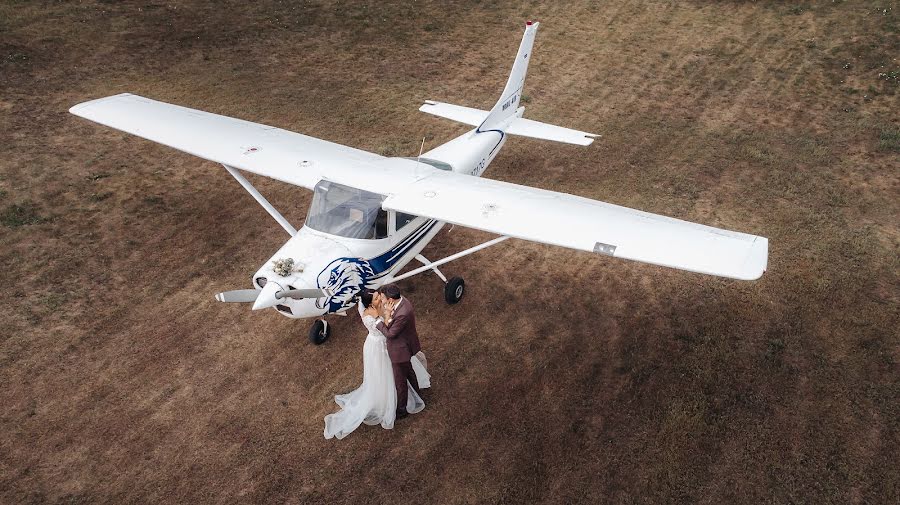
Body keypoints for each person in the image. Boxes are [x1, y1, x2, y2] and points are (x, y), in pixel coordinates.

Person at [323, 289, 429, 439]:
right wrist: (386, 316)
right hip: (379, 347)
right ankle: (393, 401)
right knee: (386, 374)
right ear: (371, 304)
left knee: (403, 370)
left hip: (389, 344)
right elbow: (386, 330)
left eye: (379, 295)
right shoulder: (369, 317)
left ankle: (410, 392)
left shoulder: (377, 306)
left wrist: (386, 312)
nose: (381, 298)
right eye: (377, 298)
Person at [376, 283, 423, 420]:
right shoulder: (401, 301)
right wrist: (388, 314)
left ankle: (402, 410)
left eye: (383, 298)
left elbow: (390, 334)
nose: (381, 301)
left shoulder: (402, 313)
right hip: (404, 345)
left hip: (399, 351)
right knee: (409, 371)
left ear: (390, 300)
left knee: (400, 382)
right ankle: (418, 394)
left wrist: (380, 321)